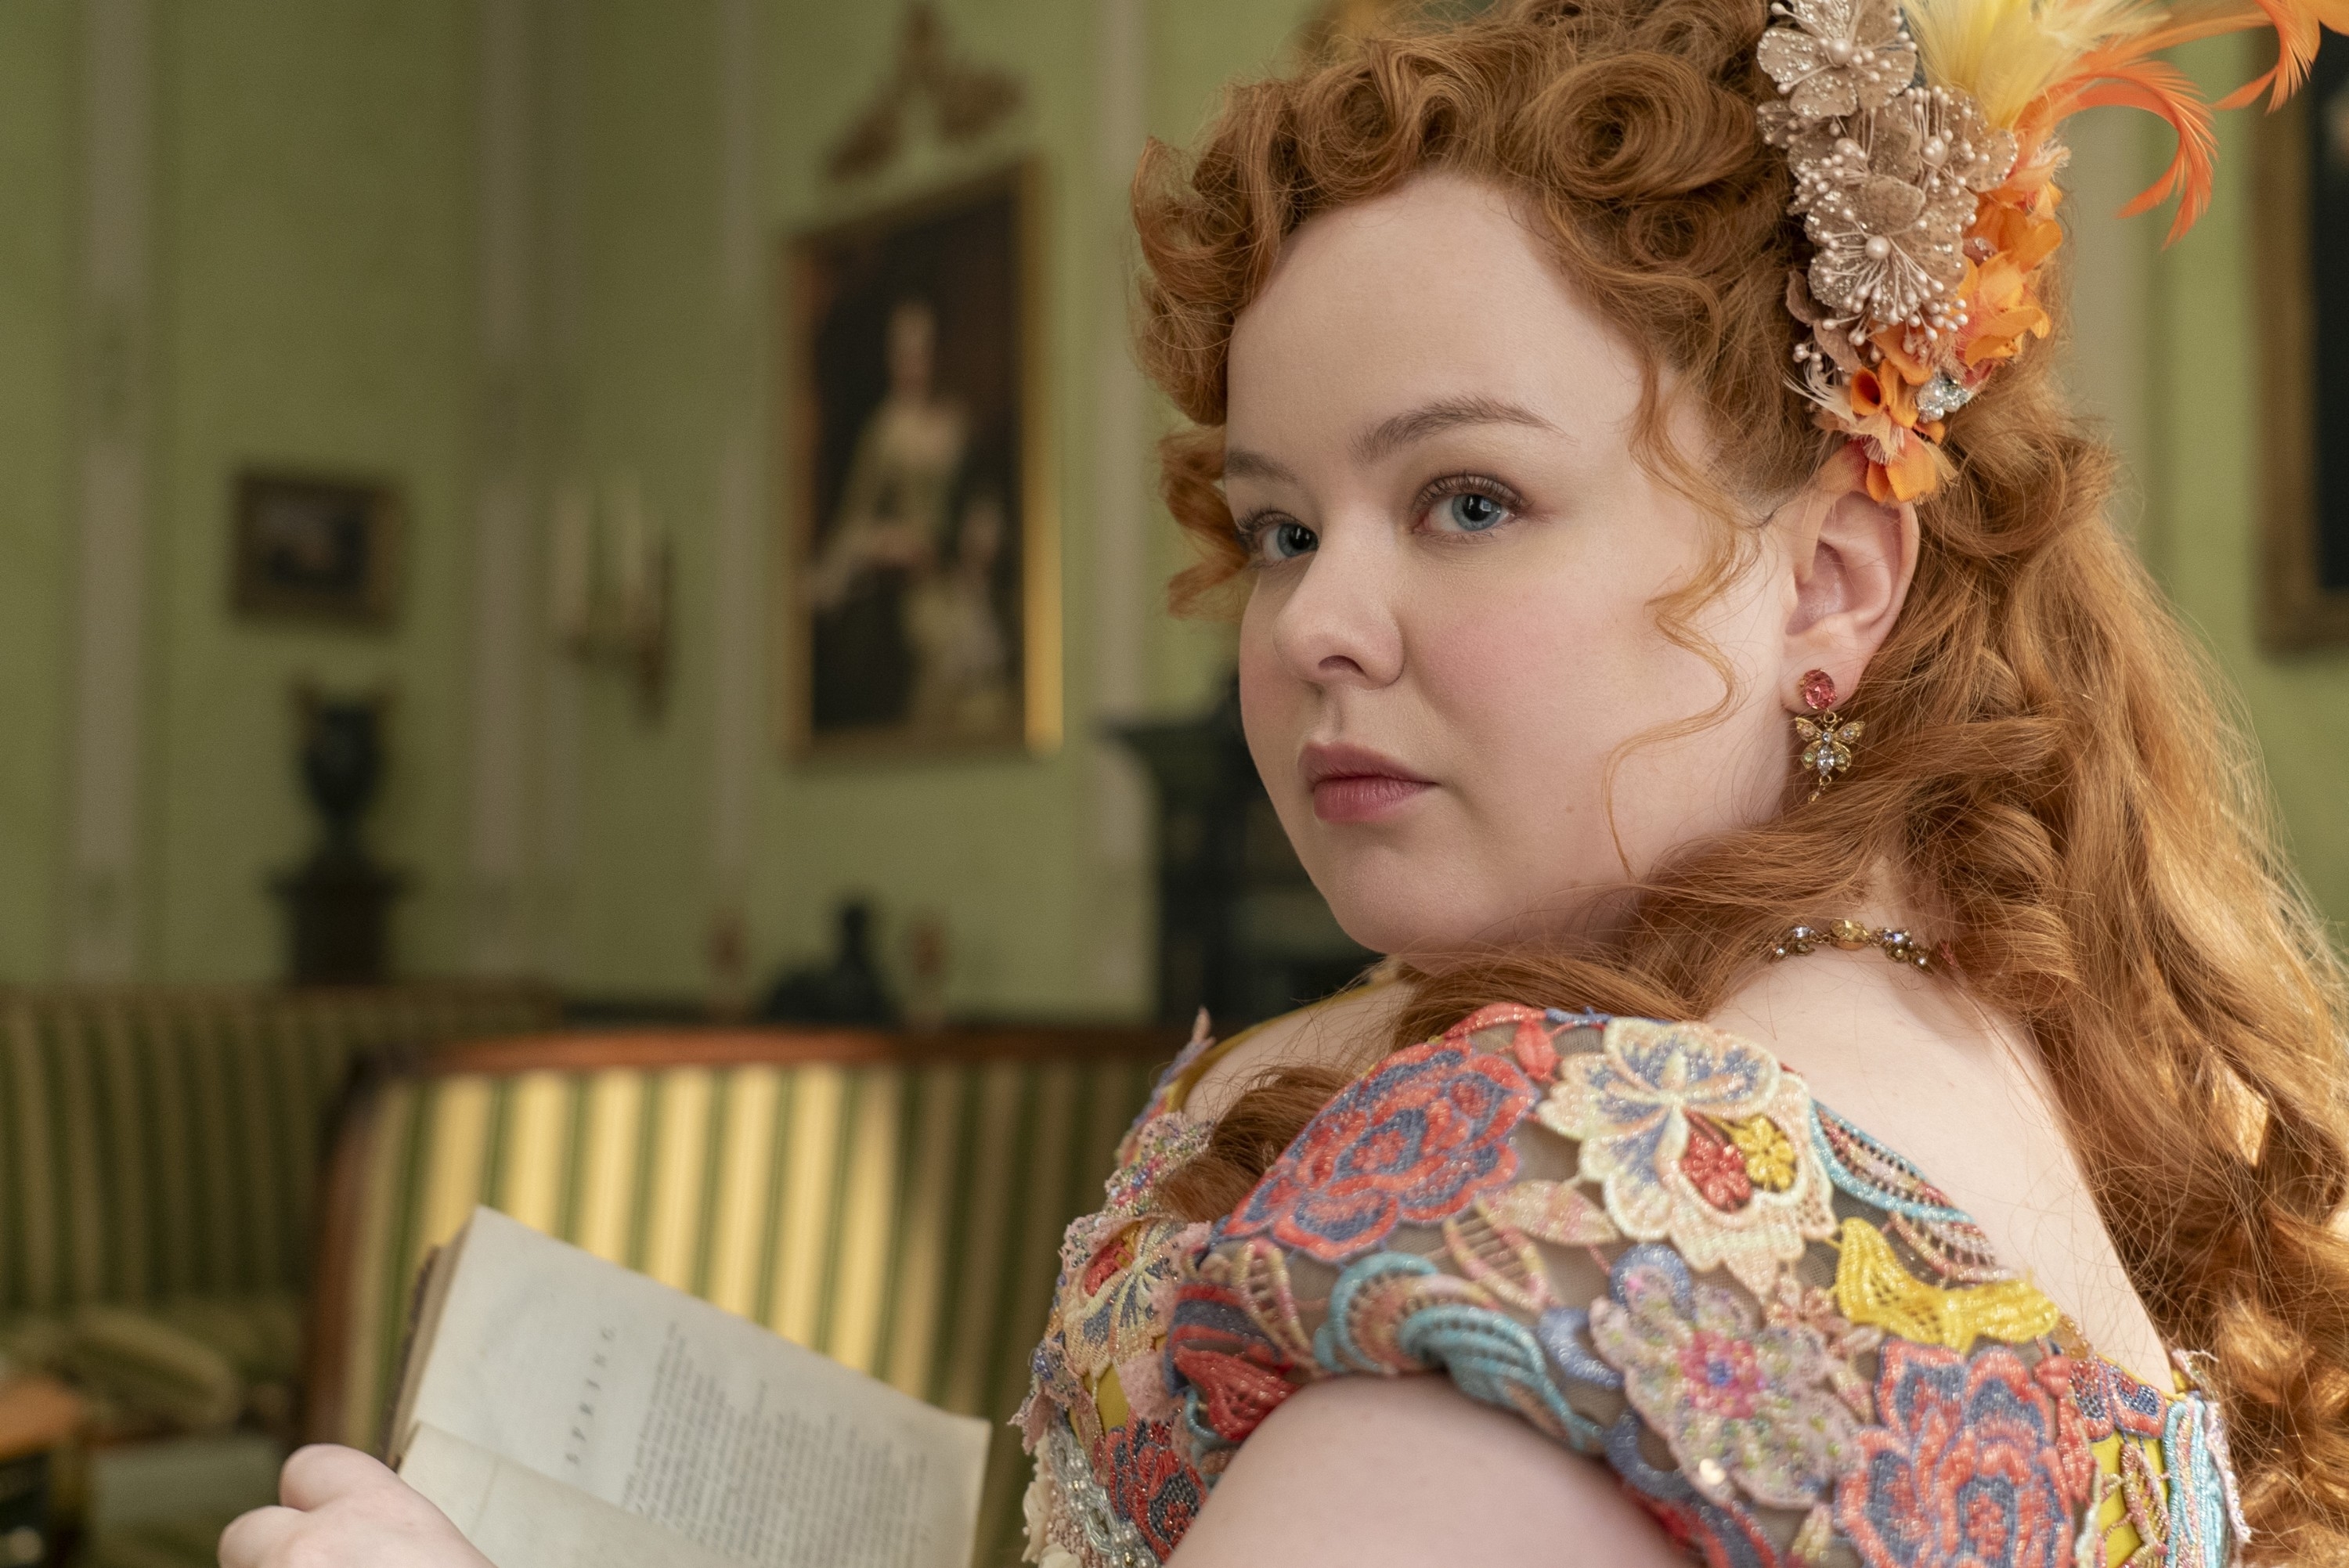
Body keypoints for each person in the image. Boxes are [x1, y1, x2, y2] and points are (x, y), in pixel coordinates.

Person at [221, 2, 2349, 1566]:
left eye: (1473, 498)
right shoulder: (1995, 1023)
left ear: (1838, 580)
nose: (1319, 620)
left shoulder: (1600, 1187)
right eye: (1281, 524)